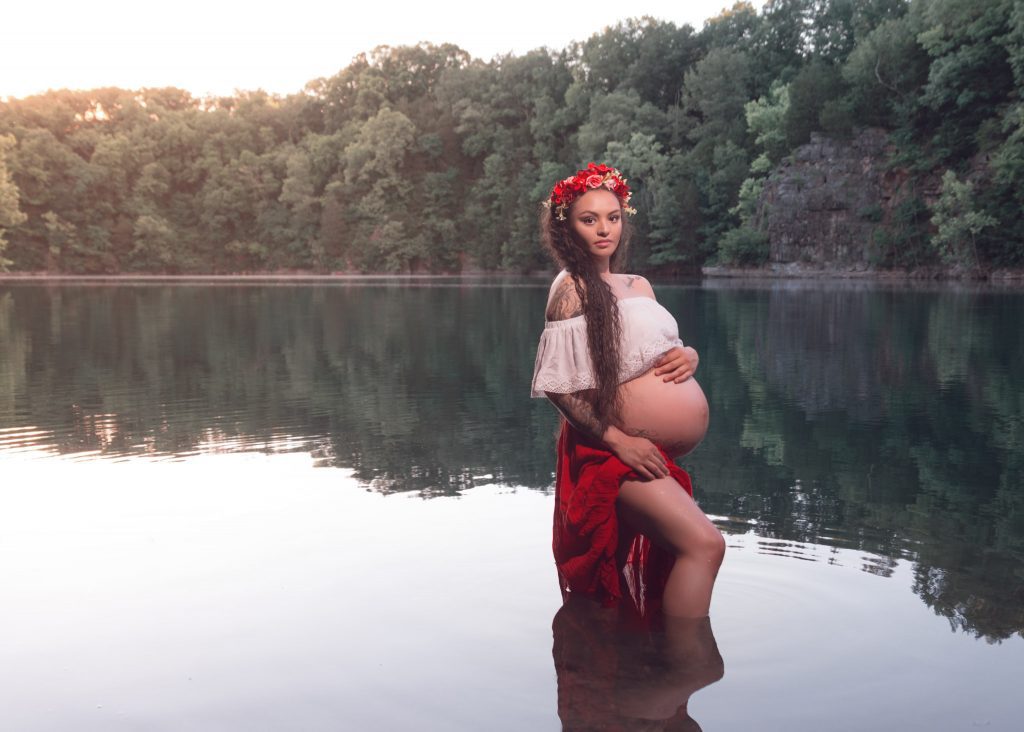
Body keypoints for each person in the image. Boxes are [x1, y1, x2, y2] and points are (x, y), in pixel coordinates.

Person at [531, 163, 725, 619]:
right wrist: (622, 442)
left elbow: (659, 351)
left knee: (689, 550)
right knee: (704, 545)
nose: (604, 229)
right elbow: (560, 388)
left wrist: (690, 355)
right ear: (567, 227)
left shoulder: (639, 284)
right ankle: (686, 667)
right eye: (589, 219)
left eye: (613, 217)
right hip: (610, 454)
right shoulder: (570, 288)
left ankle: (653, 665)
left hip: (646, 452)